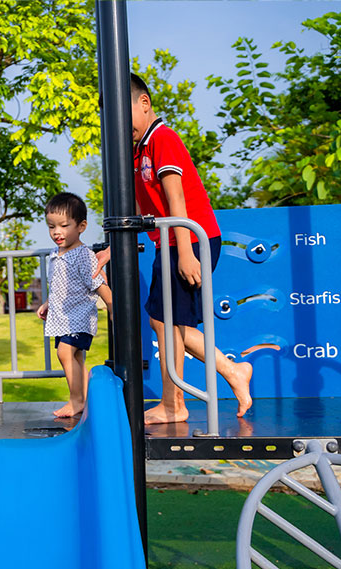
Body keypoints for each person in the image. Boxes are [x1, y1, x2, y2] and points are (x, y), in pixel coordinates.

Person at [97, 73, 252, 424]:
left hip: (190, 239)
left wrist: (185, 252)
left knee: (167, 324)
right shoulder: (137, 152)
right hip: (172, 241)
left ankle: (174, 404)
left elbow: (175, 198)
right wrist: (113, 248)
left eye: (123, 116)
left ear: (144, 103)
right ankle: (233, 372)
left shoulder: (162, 139)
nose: (118, 127)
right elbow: (139, 209)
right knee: (166, 323)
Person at [37, 193, 112, 418]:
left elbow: (98, 283)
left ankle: (76, 400)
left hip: (78, 316)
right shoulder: (56, 254)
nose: (56, 232)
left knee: (65, 352)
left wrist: (111, 305)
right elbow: (60, 285)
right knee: (76, 357)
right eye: (52, 227)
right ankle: (85, 399)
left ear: (81, 226)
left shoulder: (83, 255)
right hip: (62, 317)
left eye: (64, 226)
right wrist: (49, 302)